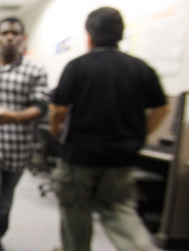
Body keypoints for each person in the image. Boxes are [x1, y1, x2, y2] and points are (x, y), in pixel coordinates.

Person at [49, 7, 170, 251]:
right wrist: (142, 133)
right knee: (118, 209)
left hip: (80, 156)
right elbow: (162, 108)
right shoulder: (141, 68)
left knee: (76, 209)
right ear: (121, 34)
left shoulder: (77, 67)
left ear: (89, 35)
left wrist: (56, 131)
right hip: (122, 156)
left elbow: (59, 109)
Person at [0, 17, 49, 251]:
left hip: (18, 149)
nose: (10, 37)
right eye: (5, 33)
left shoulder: (35, 69)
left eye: (15, 33)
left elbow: (40, 107)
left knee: (3, 205)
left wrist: (12, 116)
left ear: (23, 38)